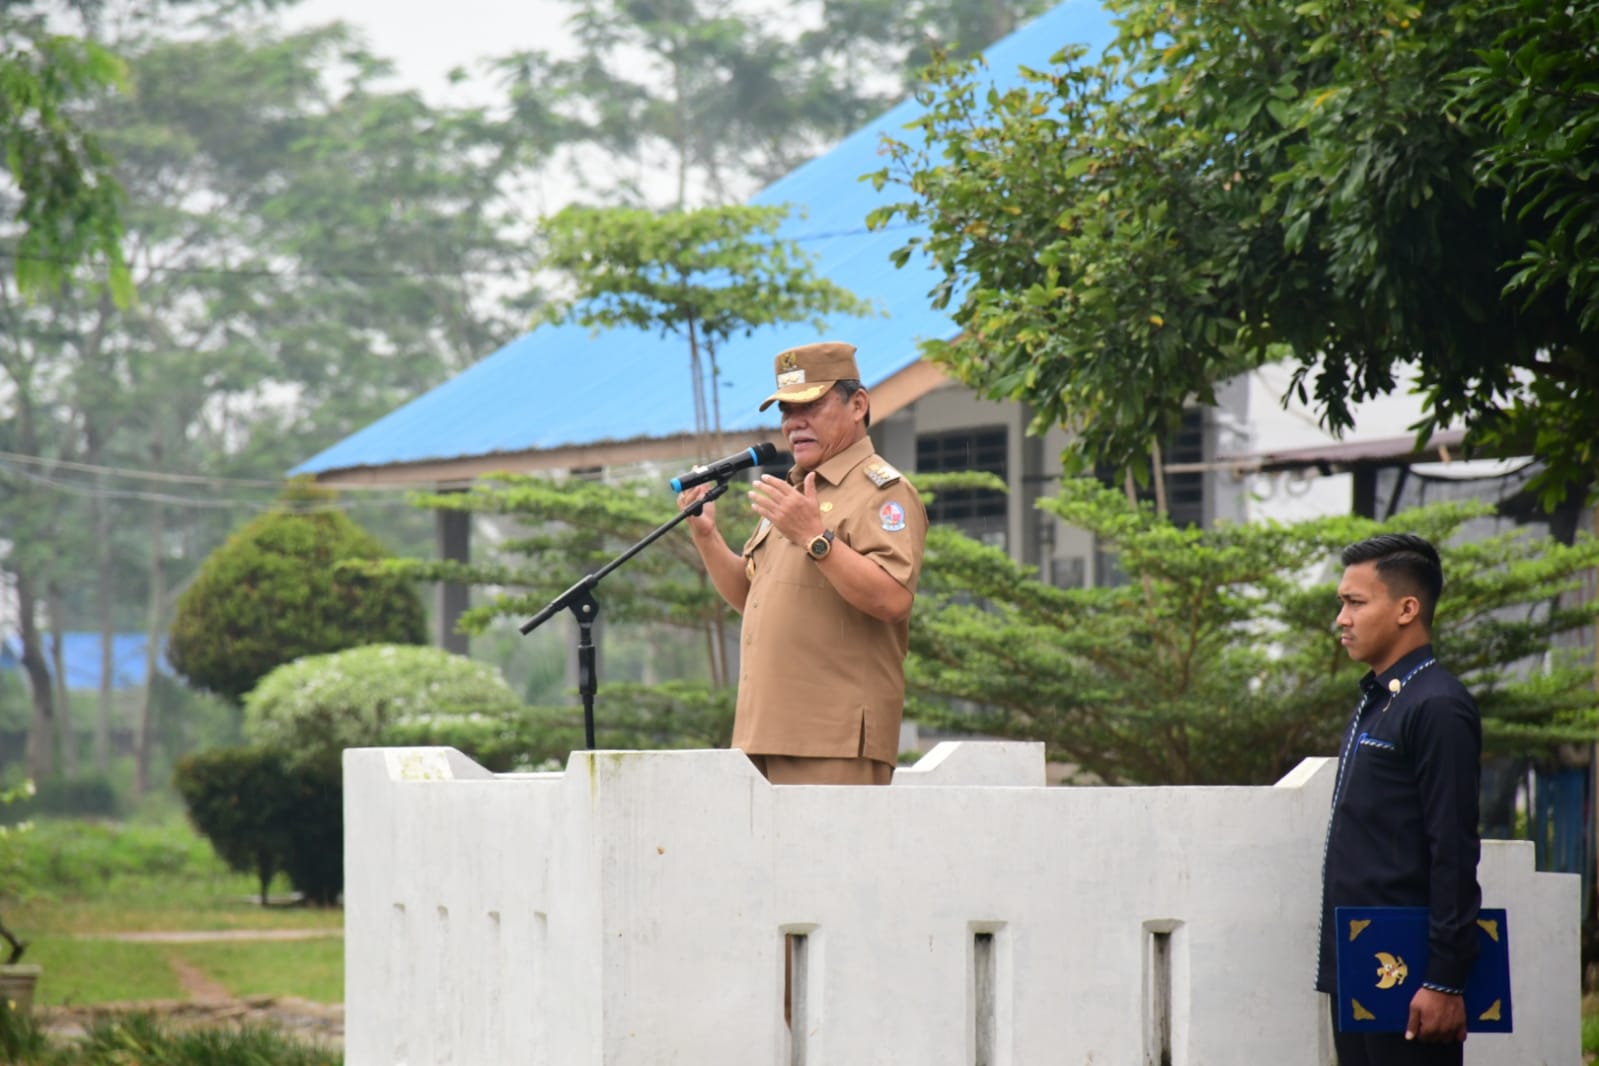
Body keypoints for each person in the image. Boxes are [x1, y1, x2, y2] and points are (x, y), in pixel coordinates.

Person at [679, 340, 928, 786]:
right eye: (786, 412)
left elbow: (893, 600)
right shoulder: (797, 493)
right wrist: (707, 536)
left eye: (809, 405)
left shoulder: (882, 491)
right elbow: (752, 597)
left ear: (858, 404)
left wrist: (816, 538)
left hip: (832, 739)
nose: (794, 423)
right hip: (763, 736)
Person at [1316, 533, 1483, 1065]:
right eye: (1342, 602)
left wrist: (1445, 981)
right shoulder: (1379, 702)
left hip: (1411, 981)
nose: (1341, 618)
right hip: (1361, 968)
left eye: (1355, 602)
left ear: (1408, 608)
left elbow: (1453, 849)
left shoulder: (1436, 706)